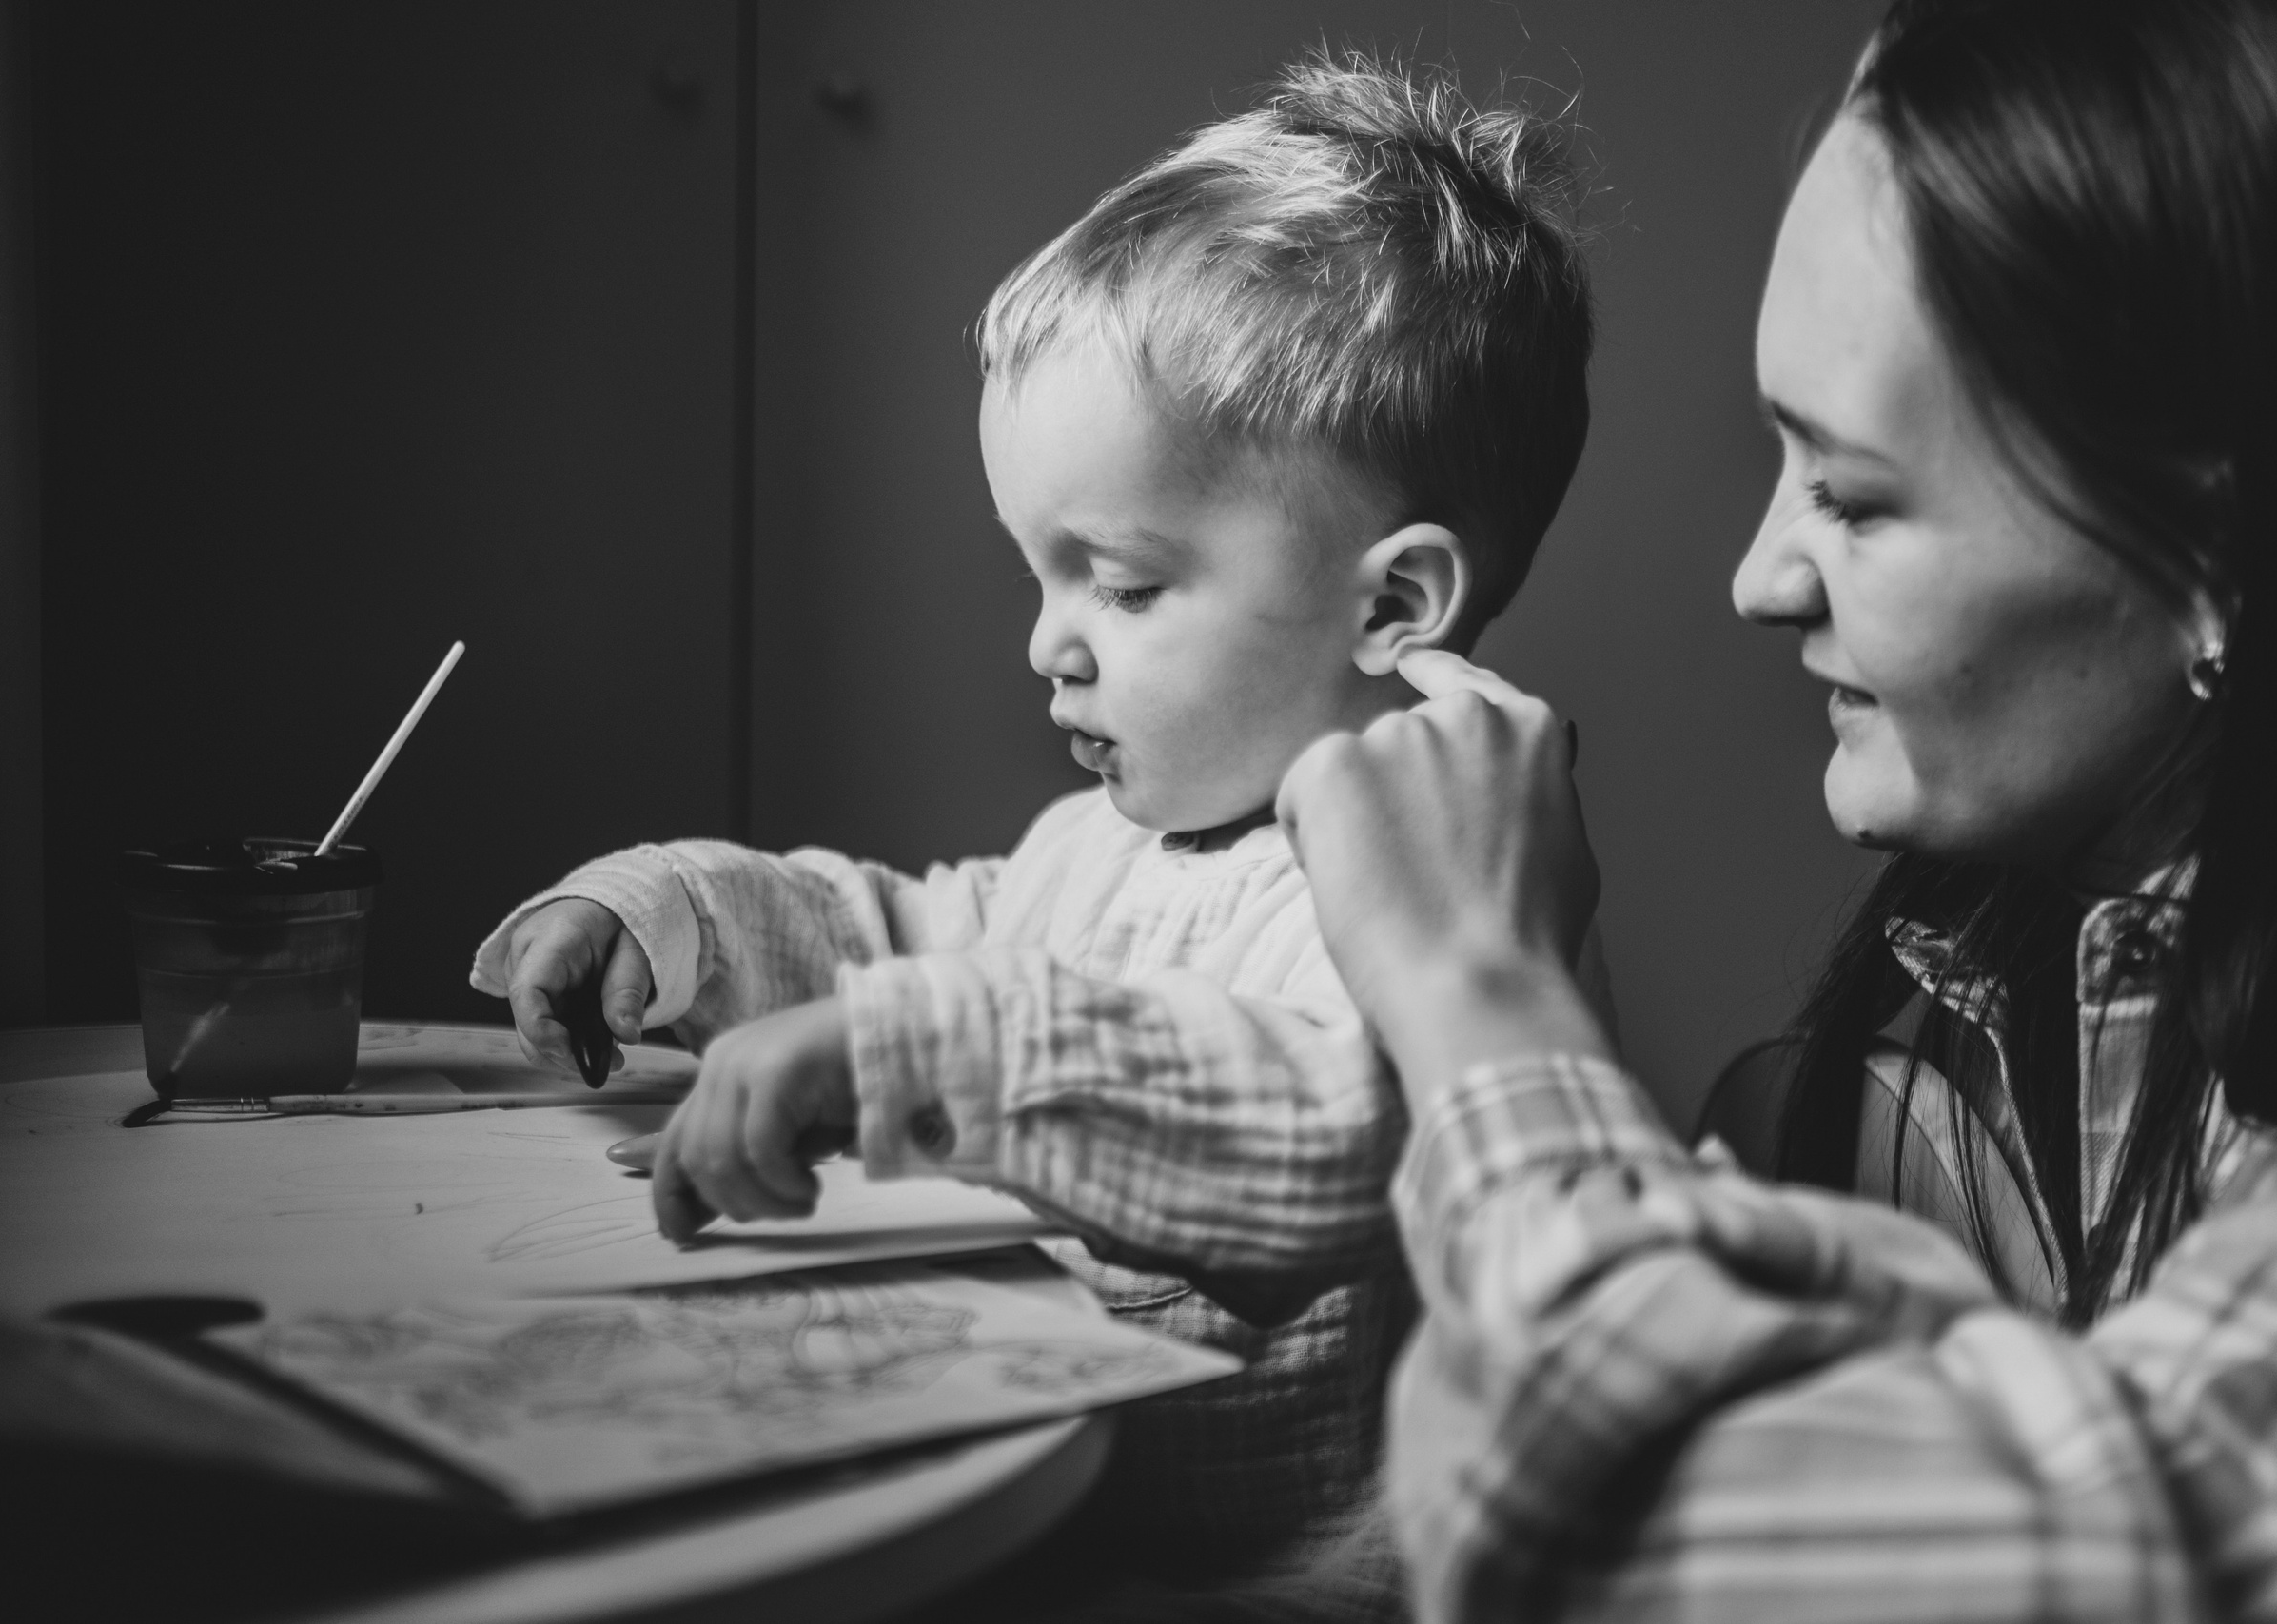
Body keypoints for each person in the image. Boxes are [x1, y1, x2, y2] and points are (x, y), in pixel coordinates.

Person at [1254, 0, 2277, 1617]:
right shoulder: (1978, 1040)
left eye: (1856, 497)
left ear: (2219, 559)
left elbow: (1672, 1547)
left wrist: (1481, 993)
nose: (1757, 580)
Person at [468, 56, 1596, 1590]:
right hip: (1051, 1526)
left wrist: (908, 1051)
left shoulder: (1440, 891)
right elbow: (899, 935)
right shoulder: (1107, 843)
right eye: (1039, 575)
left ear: (1392, 602)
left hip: (1281, 1586)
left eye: (1124, 586)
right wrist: (668, 911)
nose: (1049, 644)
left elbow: (1330, 1128)